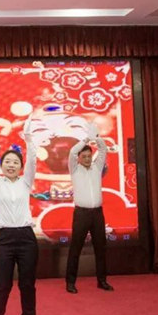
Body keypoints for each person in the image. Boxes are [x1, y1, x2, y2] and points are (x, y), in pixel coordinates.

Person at [0, 118, 39, 315]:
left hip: (26, 238)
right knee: (3, 285)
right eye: (7, 161)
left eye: (15, 162)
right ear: (2, 165)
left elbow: (33, 160)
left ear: (21, 166)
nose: (11, 165)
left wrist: (28, 138)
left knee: (27, 285)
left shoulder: (26, 182)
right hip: (4, 239)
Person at [65, 122, 114, 294]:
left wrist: (97, 137)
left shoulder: (96, 168)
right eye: (83, 156)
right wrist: (86, 138)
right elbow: (72, 152)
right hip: (81, 214)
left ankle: (102, 281)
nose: (86, 159)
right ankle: (70, 282)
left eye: (88, 156)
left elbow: (103, 150)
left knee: (101, 248)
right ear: (79, 158)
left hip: (97, 214)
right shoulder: (74, 169)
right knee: (76, 248)